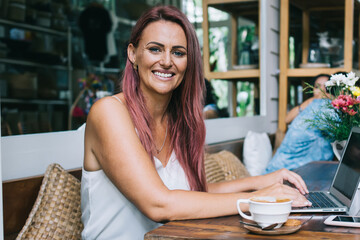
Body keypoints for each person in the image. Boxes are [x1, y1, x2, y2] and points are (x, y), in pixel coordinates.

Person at [81, 5, 311, 239]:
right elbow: (159, 205)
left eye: (178, 53)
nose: (167, 61)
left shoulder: (179, 121)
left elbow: (194, 192)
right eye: (155, 49)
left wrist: (262, 182)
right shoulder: (109, 112)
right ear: (133, 54)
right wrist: (259, 199)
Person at [264, 74, 334, 174]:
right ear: (312, 89)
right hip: (287, 161)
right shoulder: (309, 104)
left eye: (326, 87)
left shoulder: (331, 106)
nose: (321, 91)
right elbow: (287, 119)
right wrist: (311, 101)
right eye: (317, 87)